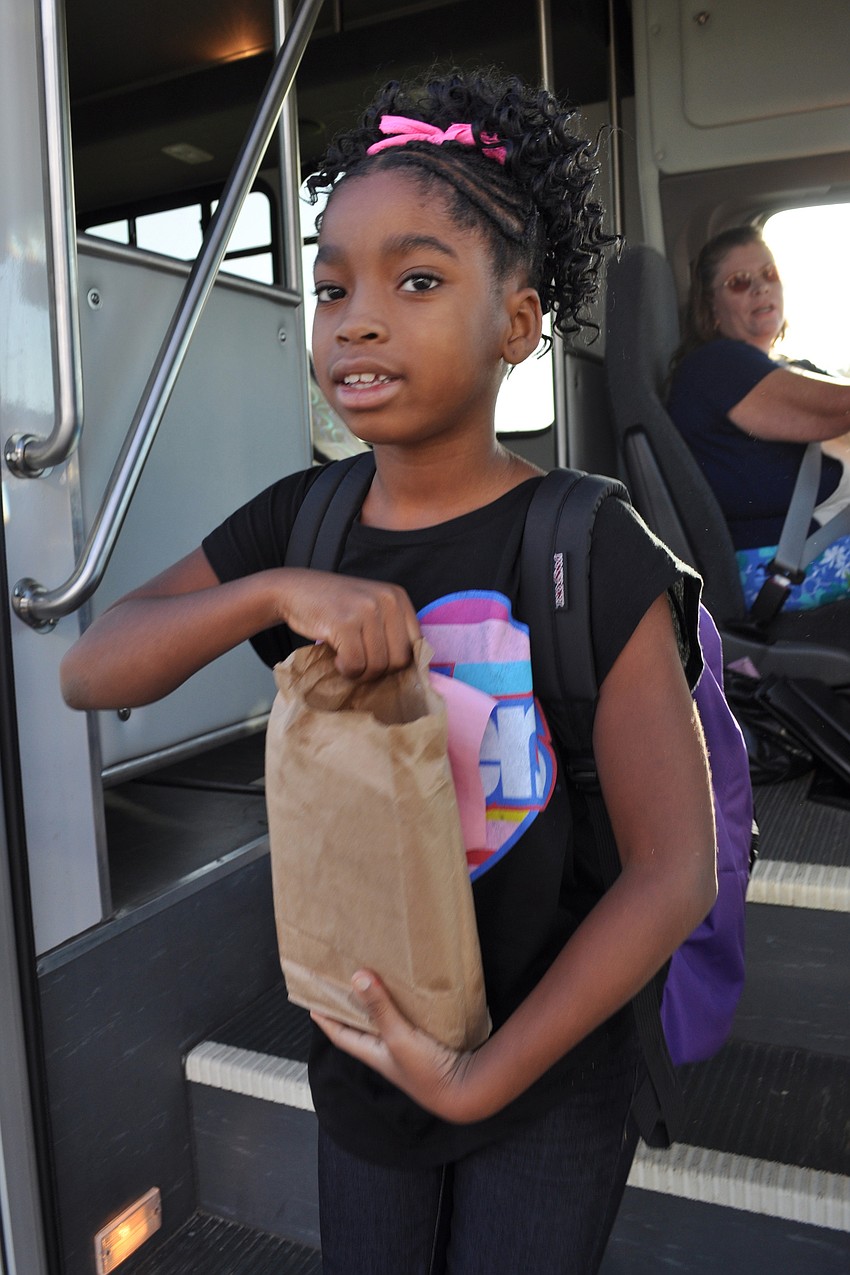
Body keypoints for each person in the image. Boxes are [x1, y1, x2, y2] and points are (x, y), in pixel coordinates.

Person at [60, 72, 716, 1275]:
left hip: (543, 1072)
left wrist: (478, 1081)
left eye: (417, 282)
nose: (356, 320)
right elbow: (90, 673)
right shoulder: (301, 525)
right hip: (361, 1048)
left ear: (516, 325)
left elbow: (673, 870)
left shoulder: (586, 545)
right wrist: (267, 595)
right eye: (330, 287)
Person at [668, 225, 850, 611]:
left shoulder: (788, 367)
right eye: (739, 282)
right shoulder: (716, 365)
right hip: (786, 567)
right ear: (711, 308)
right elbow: (840, 408)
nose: (761, 288)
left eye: (769, 275)